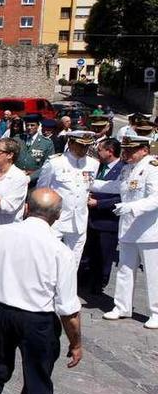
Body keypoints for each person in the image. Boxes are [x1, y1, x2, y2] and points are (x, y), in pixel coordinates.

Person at [0, 188, 83, 394]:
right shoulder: (61, 251)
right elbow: (68, 310)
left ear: (27, 208)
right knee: (37, 382)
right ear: (57, 217)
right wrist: (75, 342)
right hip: (36, 321)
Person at [91, 135, 158, 328]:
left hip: (148, 231)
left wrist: (131, 207)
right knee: (124, 269)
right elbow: (117, 187)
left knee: (153, 274)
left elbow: (155, 198)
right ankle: (121, 306)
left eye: (131, 150)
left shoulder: (152, 168)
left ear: (144, 150)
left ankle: (156, 312)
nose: (126, 153)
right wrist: (89, 182)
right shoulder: (128, 168)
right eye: (125, 149)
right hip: (129, 229)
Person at [36, 131, 99, 265]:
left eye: (87, 146)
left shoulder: (93, 163)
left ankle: (69, 286)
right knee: (48, 259)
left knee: (73, 262)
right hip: (56, 220)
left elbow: (89, 186)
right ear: (70, 143)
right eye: (80, 145)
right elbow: (41, 190)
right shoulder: (55, 162)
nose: (84, 149)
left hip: (79, 221)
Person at [82, 138, 123, 294]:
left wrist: (98, 203)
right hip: (91, 219)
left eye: (100, 150)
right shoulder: (98, 166)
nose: (97, 152)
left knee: (105, 255)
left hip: (108, 220)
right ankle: (86, 279)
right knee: (90, 252)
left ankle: (100, 283)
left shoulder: (122, 169)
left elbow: (121, 197)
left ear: (110, 151)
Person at [15, 114, 55, 188]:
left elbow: (48, 165)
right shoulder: (17, 139)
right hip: (16, 180)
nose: (29, 128)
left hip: (35, 182)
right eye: (27, 125)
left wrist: (32, 176)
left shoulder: (46, 143)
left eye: (32, 125)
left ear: (38, 126)